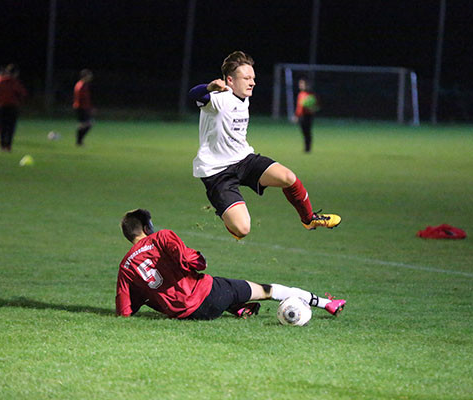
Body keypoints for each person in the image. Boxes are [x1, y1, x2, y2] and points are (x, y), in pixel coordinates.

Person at [188, 51, 341, 240]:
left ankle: (309, 219)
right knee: (242, 230)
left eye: (253, 77)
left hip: (244, 159)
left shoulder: (244, 96)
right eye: (246, 78)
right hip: (217, 171)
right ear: (230, 80)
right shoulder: (218, 99)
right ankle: (224, 211)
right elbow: (194, 94)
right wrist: (209, 86)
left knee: (288, 177)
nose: (252, 82)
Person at [115, 209, 346, 320]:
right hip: (210, 297)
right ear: (147, 228)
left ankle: (239, 308)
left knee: (219, 288)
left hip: (188, 316)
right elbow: (193, 262)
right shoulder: (161, 237)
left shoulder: (125, 266)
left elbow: (125, 310)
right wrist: (200, 258)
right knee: (267, 290)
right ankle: (327, 303)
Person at [0, 64, 27, 151]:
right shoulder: (15, 82)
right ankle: (8, 145)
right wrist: (20, 102)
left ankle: (2, 145)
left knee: (3, 126)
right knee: (11, 127)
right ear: (15, 73)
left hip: (1, 107)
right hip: (12, 107)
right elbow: (23, 93)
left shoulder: (0, 81)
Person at [293, 78, 319, 153]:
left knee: (307, 132)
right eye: (300, 84)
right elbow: (299, 107)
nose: (300, 85)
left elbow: (315, 106)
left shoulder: (310, 95)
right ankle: (306, 148)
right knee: (304, 132)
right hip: (301, 116)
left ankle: (308, 148)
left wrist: (312, 108)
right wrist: (297, 116)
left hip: (308, 116)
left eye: (302, 84)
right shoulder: (301, 94)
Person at [73, 69, 94, 146]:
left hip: (83, 107)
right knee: (86, 124)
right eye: (89, 75)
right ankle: (79, 141)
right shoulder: (80, 85)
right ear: (85, 76)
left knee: (87, 124)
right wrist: (85, 109)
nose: (91, 76)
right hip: (81, 108)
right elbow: (80, 99)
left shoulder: (84, 85)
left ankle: (79, 141)